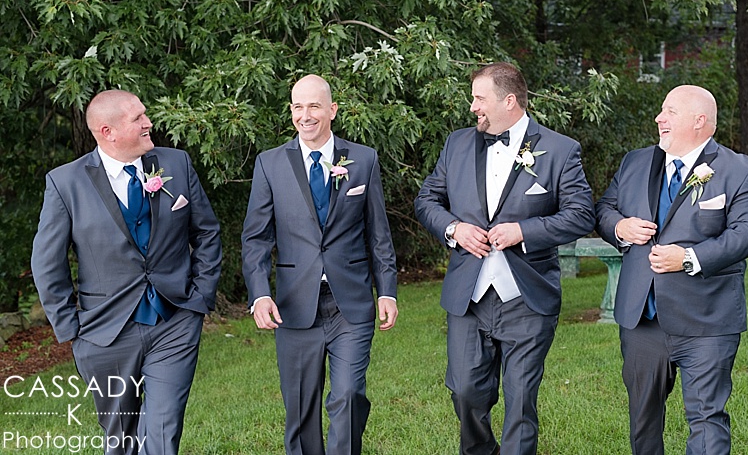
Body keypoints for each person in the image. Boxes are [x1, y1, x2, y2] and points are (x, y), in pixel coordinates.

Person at [414, 62, 595, 455]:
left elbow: (582, 214)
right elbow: (427, 200)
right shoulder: (457, 144)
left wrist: (523, 232)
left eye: (480, 98)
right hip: (469, 296)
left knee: (521, 401)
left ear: (509, 100)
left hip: (527, 297)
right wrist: (454, 229)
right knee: (464, 391)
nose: (473, 106)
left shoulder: (560, 150)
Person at [31, 89, 222, 454]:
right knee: (120, 438)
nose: (148, 123)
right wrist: (71, 330)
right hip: (104, 333)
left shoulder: (176, 163)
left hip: (175, 320)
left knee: (163, 429)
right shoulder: (65, 183)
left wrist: (200, 296)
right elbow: (47, 262)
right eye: (138, 118)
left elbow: (206, 232)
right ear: (109, 132)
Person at [595, 84, 748, 455]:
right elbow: (605, 209)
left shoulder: (740, 170)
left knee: (707, 418)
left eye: (670, 111)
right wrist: (619, 227)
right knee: (643, 420)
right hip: (643, 318)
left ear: (699, 120)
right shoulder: (635, 162)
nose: (659, 118)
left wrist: (689, 258)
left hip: (707, 319)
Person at [241, 74, 398, 455]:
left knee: (348, 396)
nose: (305, 115)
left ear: (332, 110)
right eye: (298, 107)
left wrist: (387, 291)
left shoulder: (363, 159)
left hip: (350, 303)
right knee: (300, 409)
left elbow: (378, 232)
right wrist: (260, 294)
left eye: (314, 106)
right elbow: (256, 238)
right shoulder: (269, 164)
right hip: (294, 305)